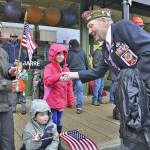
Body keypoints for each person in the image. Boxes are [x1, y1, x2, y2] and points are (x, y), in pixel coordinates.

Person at [60, 8, 150, 149]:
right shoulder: (106, 48)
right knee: (132, 137)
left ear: (104, 22)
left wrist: (134, 83)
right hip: (130, 103)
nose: (89, 31)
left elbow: (148, 50)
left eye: (91, 26)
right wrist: (73, 75)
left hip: (144, 97)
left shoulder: (122, 27)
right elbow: (98, 71)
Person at [43, 43, 74, 149]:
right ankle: (55, 143)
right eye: (58, 54)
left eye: (62, 54)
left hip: (61, 102)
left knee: (58, 122)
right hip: (51, 102)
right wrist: (58, 76)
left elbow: (69, 86)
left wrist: (70, 100)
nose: (61, 56)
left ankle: (56, 140)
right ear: (53, 55)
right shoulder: (48, 67)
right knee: (54, 122)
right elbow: (47, 81)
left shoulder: (66, 69)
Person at [0, 47, 17, 150]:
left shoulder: (2, 51)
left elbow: (5, 72)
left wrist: (10, 72)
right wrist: (8, 84)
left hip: (5, 104)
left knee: (7, 140)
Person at [67, 39, 88, 114]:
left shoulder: (68, 53)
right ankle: (79, 107)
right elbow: (86, 62)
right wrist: (87, 72)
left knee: (69, 89)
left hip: (71, 73)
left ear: (71, 45)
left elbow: (66, 63)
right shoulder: (82, 51)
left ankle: (70, 103)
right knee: (79, 91)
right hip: (80, 73)